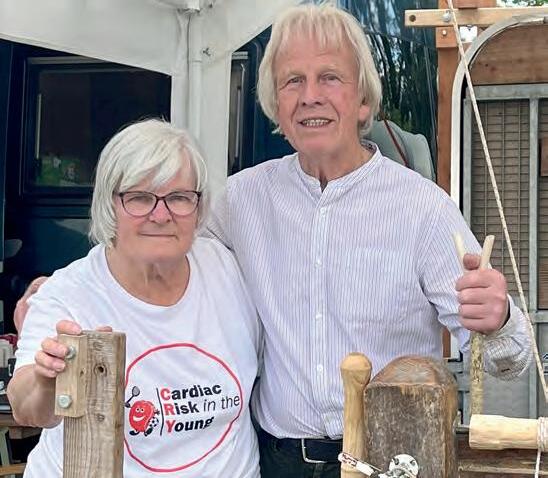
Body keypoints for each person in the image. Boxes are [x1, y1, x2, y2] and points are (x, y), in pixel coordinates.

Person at [204, 4, 533, 478]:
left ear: (363, 101)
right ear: (275, 103)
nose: (310, 96)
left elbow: (509, 362)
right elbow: (170, 272)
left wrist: (498, 319)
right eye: (293, 81)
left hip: (395, 456)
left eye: (329, 78)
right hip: (277, 461)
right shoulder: (239, 202)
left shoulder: (422, 208)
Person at [8, 119, 261, 477]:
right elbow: (26, 407)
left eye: (179, 198)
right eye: (140, 198)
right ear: (109, 204)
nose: (161, 215)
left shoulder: (228, 269)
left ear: (199, 206)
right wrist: (48, 379)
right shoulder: (67, 294)